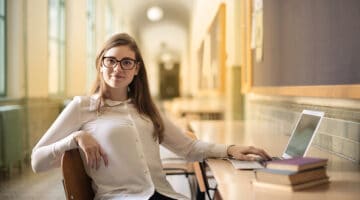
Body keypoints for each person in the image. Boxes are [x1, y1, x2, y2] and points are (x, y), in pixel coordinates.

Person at [31, 33, 271, 200]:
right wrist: (76, 137)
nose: (118, 68)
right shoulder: (82, 107)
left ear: (137, 69)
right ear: (100, 65)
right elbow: (37, 161)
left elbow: (188, 148)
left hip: (163, 194)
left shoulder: (145, 108)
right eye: (111, 61)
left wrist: (230, 150)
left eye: (126, 62)